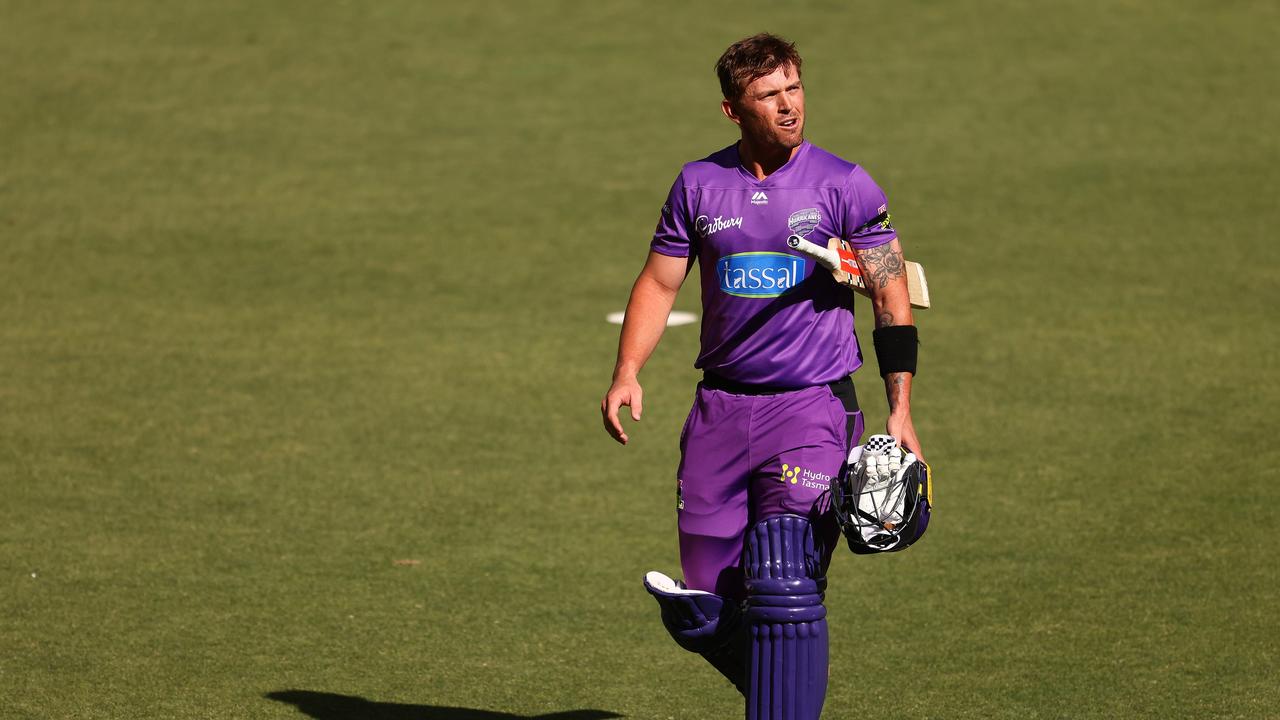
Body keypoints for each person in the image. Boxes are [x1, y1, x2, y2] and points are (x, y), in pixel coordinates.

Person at [600, 33, 925, 720]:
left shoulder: (845, 184)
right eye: (769, 95)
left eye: (794, 89)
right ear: (732, 110)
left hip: (811, 410)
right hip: (718, 412)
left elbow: (894, 297)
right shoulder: (699, 184)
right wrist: (628, 369)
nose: (788, 107)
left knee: (784, 577)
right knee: (708, 601)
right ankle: (786, 687)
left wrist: (900, 412)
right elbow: (659, 285)